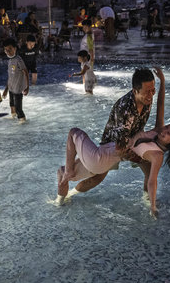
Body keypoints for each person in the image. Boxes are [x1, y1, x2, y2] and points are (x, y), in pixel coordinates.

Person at [63, 68, 162, 196]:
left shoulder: (146, 98)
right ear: (135, 91)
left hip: (133, 141)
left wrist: (162, 81)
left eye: (153, 90)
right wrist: (141, 158)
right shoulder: (125, 109)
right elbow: (121, 149)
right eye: (147, 92)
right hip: (112, 146)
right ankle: (71, 194)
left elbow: (159, 105)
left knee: (150, 172)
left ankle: (147, 203)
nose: (151, 95)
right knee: (97, 178)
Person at [1, 38, 30, 121]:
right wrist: (6, 89)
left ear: (15, 48)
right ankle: (13, 118)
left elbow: (26, 72)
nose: (8, 51)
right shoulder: (10, 61)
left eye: (10, 49)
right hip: (11, 88)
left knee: (18, 109)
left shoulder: (18, 60)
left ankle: (22, 122)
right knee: (12, 105)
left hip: (18, 89)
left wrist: (27, 87)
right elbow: (10, 77)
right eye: (6, 50)